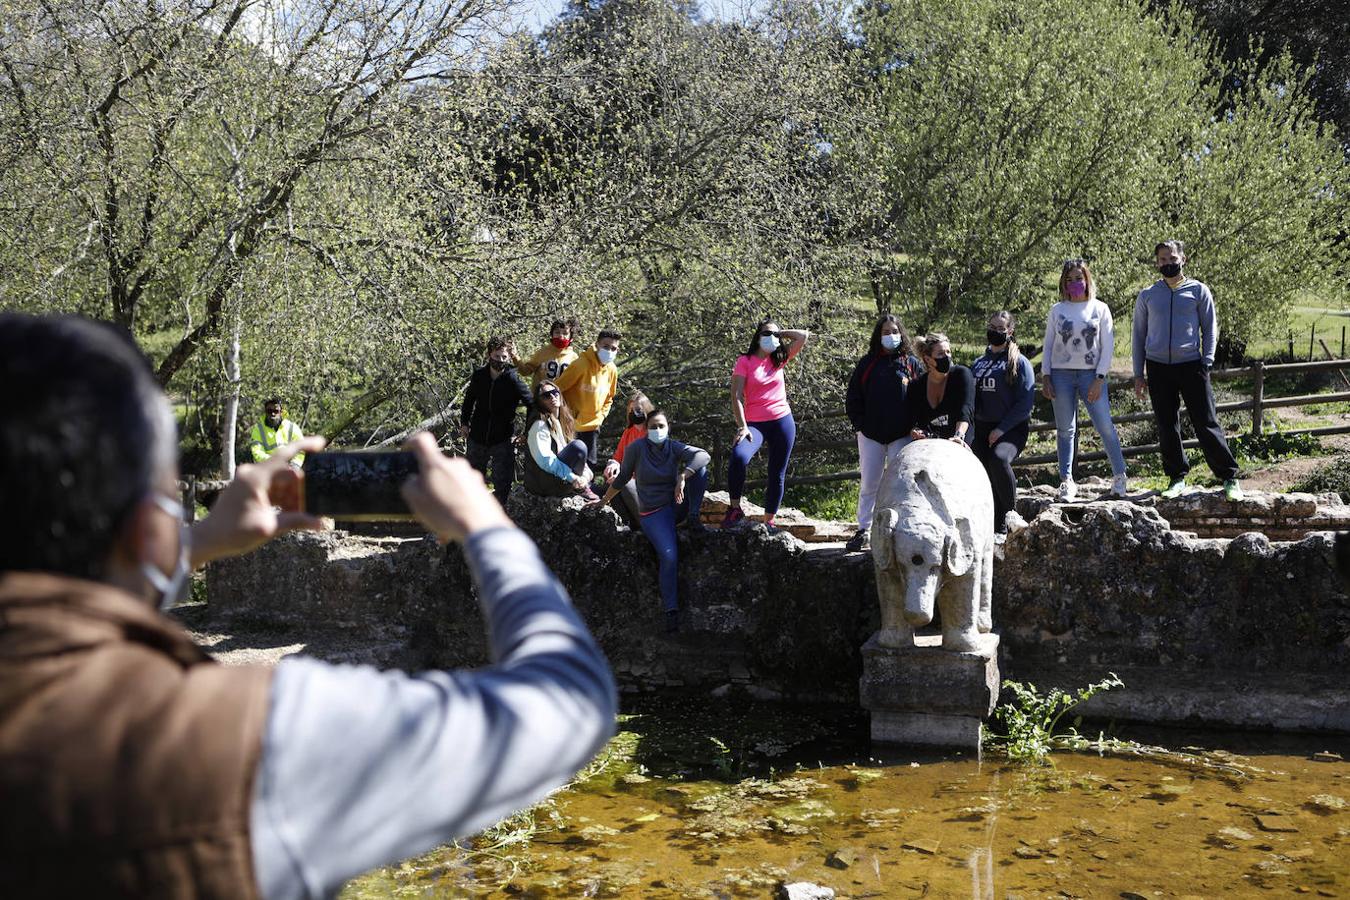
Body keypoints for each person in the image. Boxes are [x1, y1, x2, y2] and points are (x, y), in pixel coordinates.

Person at [0, 313, 617, 898]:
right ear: (144, 529)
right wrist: (487, 528)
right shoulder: (229, 741)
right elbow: (569, 702)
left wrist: (198, 542)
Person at [1132, 239, 1243, 501]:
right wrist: (1138, 374)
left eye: (1172, 259)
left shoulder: (1198, 290)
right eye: (1162, 260)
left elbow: (1210, 327)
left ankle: (1229, 477)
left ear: (1183, 259)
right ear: (1156, 262)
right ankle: (1176, 477)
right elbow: (1138, 336)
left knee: (1206, 422)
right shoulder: (1148, 295)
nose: (1167, 264)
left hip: (1192, 365)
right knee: (1167, 424)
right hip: (1158, 368)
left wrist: (1207, 360)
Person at [589, 410, 710, 635]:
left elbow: (703, 455)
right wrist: (604, 501)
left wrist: (683, 476)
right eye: (653, 427)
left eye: (661, 426)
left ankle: (693, 518)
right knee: (669, 555)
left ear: (668, 427)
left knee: (700, 468)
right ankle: (671, 611)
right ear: (646, 429)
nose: (657, 431)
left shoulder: (673, 446)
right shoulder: (636, 449)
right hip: (653, 513)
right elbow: (623, 478)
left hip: (677, 504)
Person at [1042, 259, 1128, 500]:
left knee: (1104, 426)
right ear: (1063, 282)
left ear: (1087, 279)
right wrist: (1046, 375)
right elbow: (1048, 345)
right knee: (1065, 430)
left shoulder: (1100, 309)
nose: (1074, 283)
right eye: (1069, 279)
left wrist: (1100, 378)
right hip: (1060, 375)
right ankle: (1067, 480)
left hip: (1092, 374)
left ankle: (1120, 476)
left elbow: (1107, 346)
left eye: (1078, 278)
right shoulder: (1057, 310)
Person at [844, 313, 923, 552]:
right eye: (886, 332)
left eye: (895, 331)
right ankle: (864, 529)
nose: (891, 336)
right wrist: (860, 425)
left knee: (901, 483)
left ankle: (900, 531)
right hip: (871, 436)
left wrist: (916, 426)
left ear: (902, 333)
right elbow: (853, 397)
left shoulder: (911, 364)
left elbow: (921, 398)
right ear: (879, 336)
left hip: (903, 435)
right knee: (870, 483)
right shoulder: (867, 364)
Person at [723, 319, 811, 531]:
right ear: (758, 336)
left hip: (783, 422)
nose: (770, 338)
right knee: (738, 457)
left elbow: (803, 336)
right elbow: (735, 396)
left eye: (774, 335)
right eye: (766, 334)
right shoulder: (745, 361)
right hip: (755, 425)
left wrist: (779, 333)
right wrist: (742, 426)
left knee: (776, 473)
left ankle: (769, 520)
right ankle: (734, 509)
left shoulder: (779, 359)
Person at [971, 311, 1036, 540]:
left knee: (998, 460)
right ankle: (993, 524)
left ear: (1010, 332)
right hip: (980, 428)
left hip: (1011, 429)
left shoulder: (1019, 363)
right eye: (992, 326)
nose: (995, 331)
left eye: (1001, 328)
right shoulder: (978, 363)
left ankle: (1011, 515)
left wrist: (1001, 430)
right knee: (981, 470)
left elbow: (1025, 404)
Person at [459, 336, 532, 504]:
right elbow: (469, 401)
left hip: (503, 439)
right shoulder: (479, 376)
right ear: (489, 355)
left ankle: (499, 519)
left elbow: (532, 404)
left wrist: (526, 432)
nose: (500, 360)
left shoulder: (513, 379)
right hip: (477, 436)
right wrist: (464, 423)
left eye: (504, 357)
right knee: (472, 481)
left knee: (502, 484)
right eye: (497, 356)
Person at [522, 380, 601, 501]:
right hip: (543, 486)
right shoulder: (539, 425)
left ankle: (581, 487)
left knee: (578, 447)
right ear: (539, 402)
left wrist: (585, 477)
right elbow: (545, 460)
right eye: (546, 395)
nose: (552, 397)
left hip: (558, 479)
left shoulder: (561, 422)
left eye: (555, 392)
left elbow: (579, 461)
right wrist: (572, 478)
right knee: (578, 447)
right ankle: (579, 488)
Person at [553, 328, 621, 467]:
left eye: (613, 348)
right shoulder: (581, 365)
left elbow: (609, 397)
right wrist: (563, 415)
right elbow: (556, 388)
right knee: (569, 462)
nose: (609, 351)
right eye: (606, 346)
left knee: (590, 463)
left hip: (593, 426)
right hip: (572, 425)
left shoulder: (612, 369)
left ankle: (585, 489)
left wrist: (601, 417)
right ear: (597, 345)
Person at [907, 333, 974, 444]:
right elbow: (914, 419)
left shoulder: (961, 375)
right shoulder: (917, 385)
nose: (947, 357)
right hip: (930, 442)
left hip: (959, 438)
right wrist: (915, 430)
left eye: (948, 352)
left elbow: (966, 409)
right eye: (941, 354)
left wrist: (959, 435)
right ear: (928, 359)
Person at [602, 391, 656, 524]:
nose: (634, 413)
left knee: (621, 483)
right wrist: (613, 464)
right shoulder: (628, 432)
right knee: (611, 483)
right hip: (630, 484)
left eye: (638, 409)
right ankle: (629, 524)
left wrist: (625, 476)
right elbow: (618, 456)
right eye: (631, 410)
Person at [517, 317, 581, 389]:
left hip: (561, 398)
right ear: (552, 334)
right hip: (540, 397)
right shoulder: (542, 353)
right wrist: (515, 356)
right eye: (557, 332)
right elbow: (525, 372)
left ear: (571, 338)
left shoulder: (574, 357)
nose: (561, 336)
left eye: (565, 333)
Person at [249, 397, 306, 468]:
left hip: (289, 469)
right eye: (269, 411)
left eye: (276, 411)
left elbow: (300, 449)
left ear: (281, 412)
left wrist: (294, 466)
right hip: (266, 469)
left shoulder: (292, 427)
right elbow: (257, 451)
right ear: (265, 412)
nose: (272, 414)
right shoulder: (258, 429)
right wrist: (274, 462)